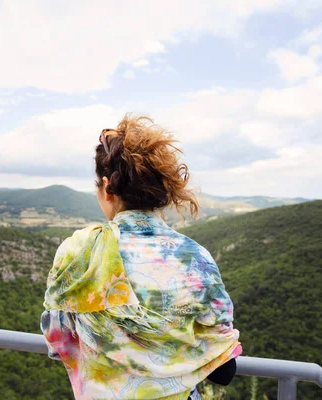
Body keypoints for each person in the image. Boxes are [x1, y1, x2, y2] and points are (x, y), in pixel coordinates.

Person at [41, 115, 242, 400]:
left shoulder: (78, 251)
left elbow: (58, 341)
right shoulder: (197, 258)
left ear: (108, 187)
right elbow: (224, 369)